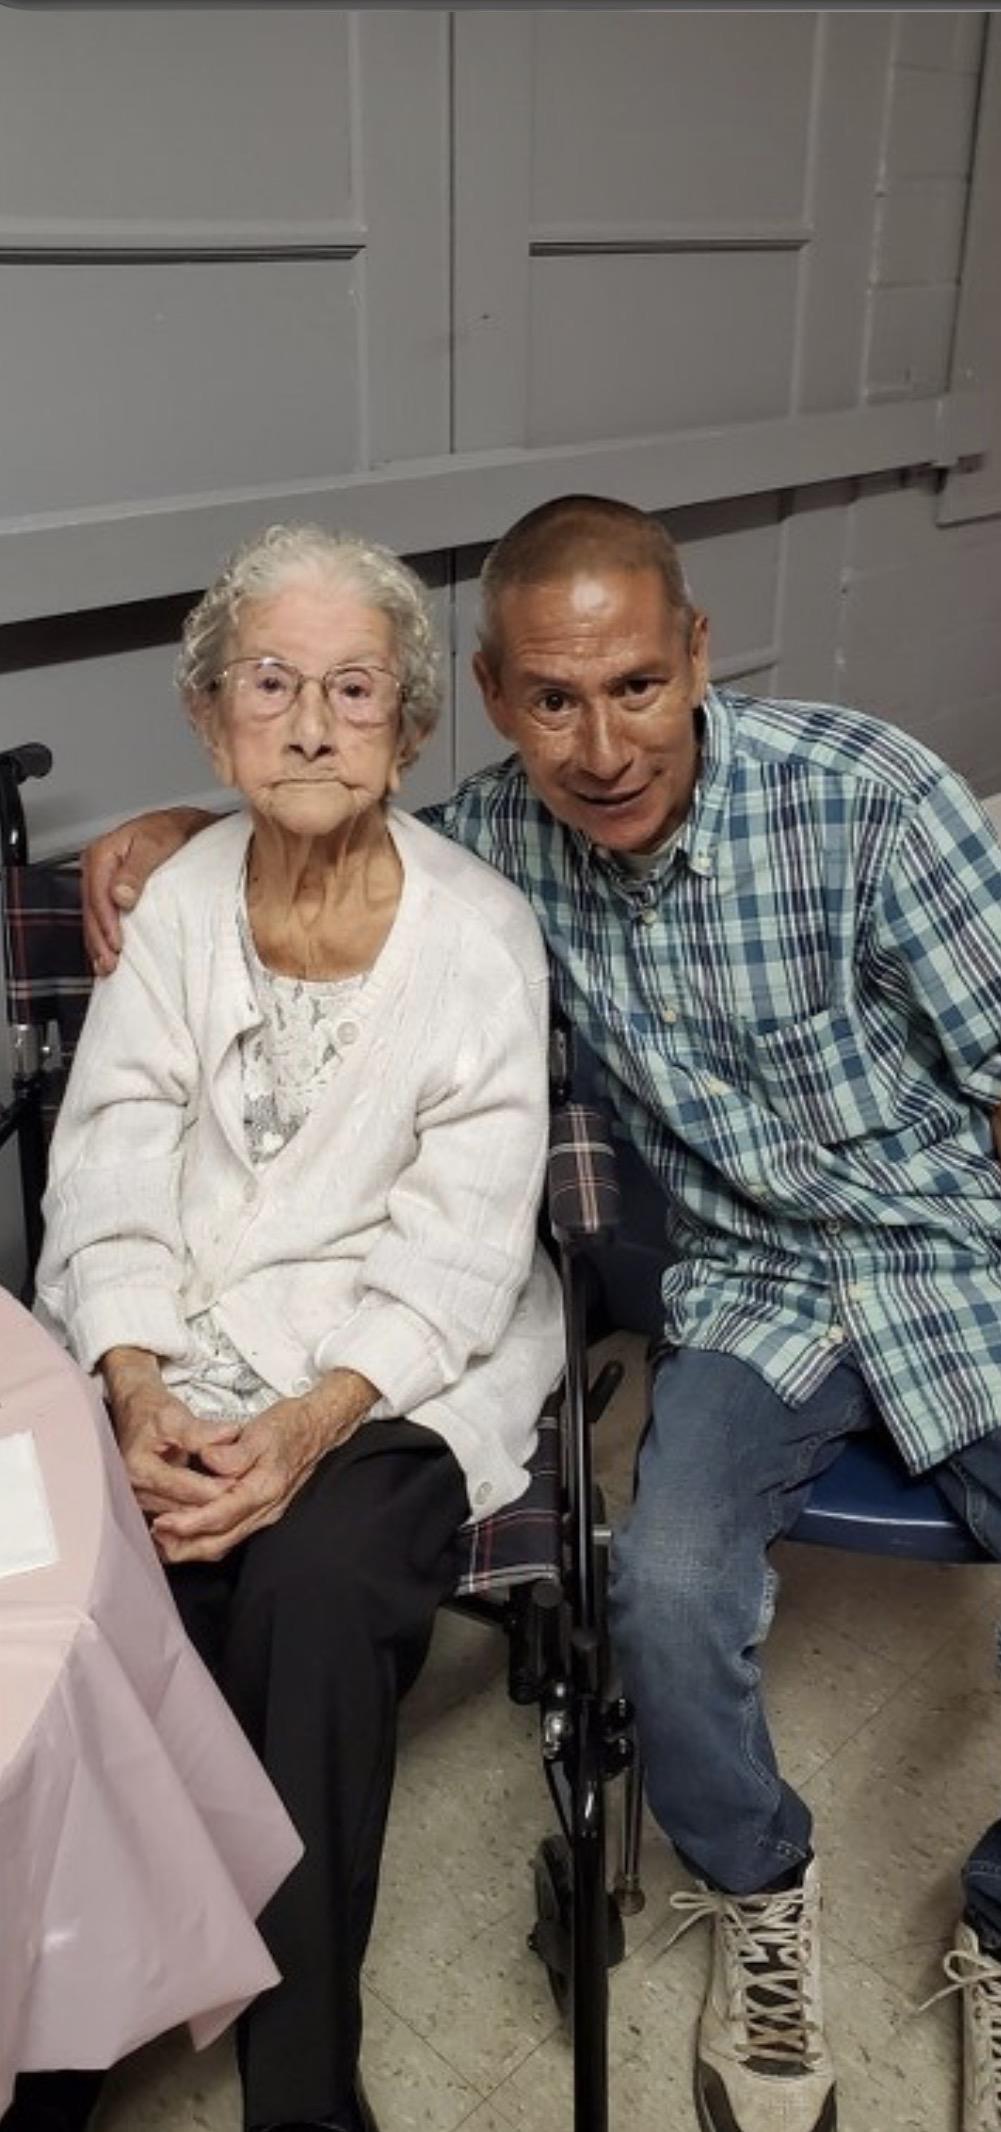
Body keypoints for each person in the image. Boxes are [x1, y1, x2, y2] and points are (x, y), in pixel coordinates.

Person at [81, 493, 1001, 2132]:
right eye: (555, 701)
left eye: (638, 685)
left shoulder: (860, 800)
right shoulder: (496, 841)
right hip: (749, 1296)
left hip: (955, 1257)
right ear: (498, 703)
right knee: (660, 1588)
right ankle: (760, 1894)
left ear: (697, 654)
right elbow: (310, 788)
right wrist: (162, 827)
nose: (602, 747)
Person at [26, 523, 564, 2132]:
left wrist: (307, 1427)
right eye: (273, 684)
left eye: (354, 689)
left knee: (314, 1596)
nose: (314, 723)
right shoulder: (180, 901)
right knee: (70, 1600)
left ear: (409, 732)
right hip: (173, 1350)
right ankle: (47, 2038)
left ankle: (304, 2097)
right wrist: (128, 1383)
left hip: (395, 1371)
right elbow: (108, 1153)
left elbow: (462, 1250)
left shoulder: (476, 938)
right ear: (210, 719)